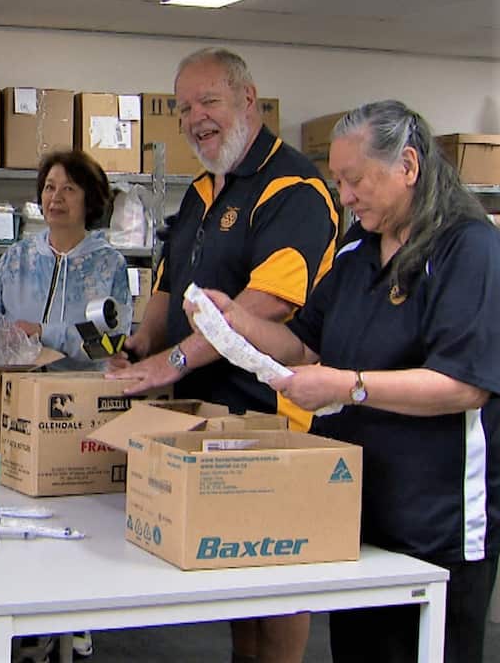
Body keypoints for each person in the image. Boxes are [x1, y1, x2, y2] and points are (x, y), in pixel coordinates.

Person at [189, 100, 499, 663]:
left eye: (355, 180)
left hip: (438, 523)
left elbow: (463, 385)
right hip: (359, 511)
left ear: (408, 166)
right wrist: (235, 319)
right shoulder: (357, 249)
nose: (345, 196)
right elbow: (304, 343)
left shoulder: (467, 249)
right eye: (338, 181)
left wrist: (348, 386)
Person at [108, 47, 340, 663]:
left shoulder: (294, 189)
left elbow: (262, 304)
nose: (195, 118)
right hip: (210, 416)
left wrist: (174, 362)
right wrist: (140, 346)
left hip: (273, 414)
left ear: (248, 100)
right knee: (234, 577)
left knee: (278, 577)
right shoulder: (201, 190)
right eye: (184, 107)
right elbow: (167, 282)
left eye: (208, 101)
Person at [0, 149, 131, 371]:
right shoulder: (17, 258)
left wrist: (44, 332)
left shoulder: (109, 265)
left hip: (80, 394)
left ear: (90, 199)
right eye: (50, 187)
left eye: (69, 188)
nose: (56, 197)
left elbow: (111, 345)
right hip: (18, 389)